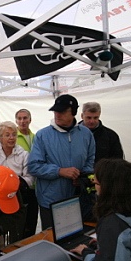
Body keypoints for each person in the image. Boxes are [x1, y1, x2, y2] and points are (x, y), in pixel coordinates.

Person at [27, 95, 95, 229]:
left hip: (78, 199)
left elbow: (90, 161)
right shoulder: (42, 135)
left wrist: (81, 177)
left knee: (77, 236)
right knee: (52, 238)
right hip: (50, 201)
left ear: (74, 112)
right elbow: (33, 166)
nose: (57, 114)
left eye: (62, 111)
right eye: (55, 111)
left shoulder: (86, 134)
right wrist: (59, 171)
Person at [0, 121, 33, 241]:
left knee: (17, 232)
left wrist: (14, 183)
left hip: (18, 197)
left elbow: (30, 178)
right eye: (7, 135)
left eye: (14, 134)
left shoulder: (24, 155)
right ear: (0, 137)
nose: (11, 138)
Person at [14, 109, 39, 237]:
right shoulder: (13, 137)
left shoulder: (36, 137)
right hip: (20, 186)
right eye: (19, 118)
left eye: (25, 118)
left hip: (36, 185)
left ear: (30, 119)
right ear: (16, 121)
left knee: (32, 220)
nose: (22, 121)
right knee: (20, 223)